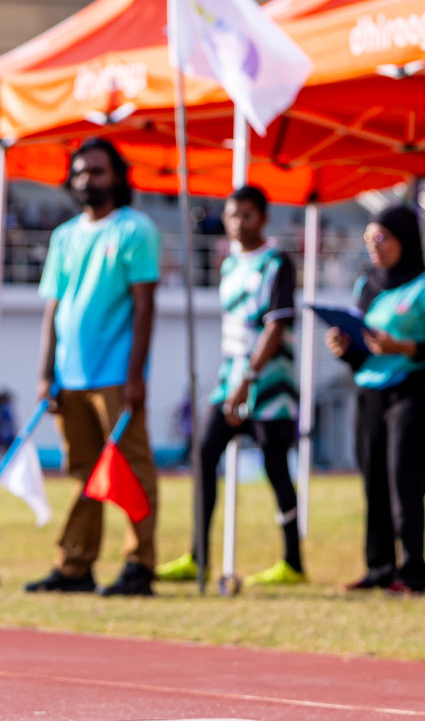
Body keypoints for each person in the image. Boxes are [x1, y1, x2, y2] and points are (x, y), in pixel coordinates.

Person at [26, 137, 161, 597]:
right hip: (69, 376)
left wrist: (137, 376)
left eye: (97, 172)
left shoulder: (135, 229)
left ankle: (140, 564)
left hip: (117, 376)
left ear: (119, 176)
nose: (87, 180)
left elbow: (145, 309)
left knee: (131, 469)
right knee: (85, 473)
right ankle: (75, 567)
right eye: (80, 172)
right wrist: (46, 374)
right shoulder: (64, 235)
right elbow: (54, 310)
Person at [157, 185, 305, 588]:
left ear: (263, 218)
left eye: (246, 216)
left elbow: (276, 326)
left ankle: (293, 561)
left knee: (276, 467)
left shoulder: (278, 263)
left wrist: (250, 378)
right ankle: (198, 555)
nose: (237, 223)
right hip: (231, 380)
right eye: (231, 215)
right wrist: (232, 379)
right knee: (205, 457)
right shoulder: (228, 263)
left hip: (270, 383)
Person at [327, 203, 425, 595]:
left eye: (381, 238)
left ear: (404, 240)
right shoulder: (366, 285)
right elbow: (363, 349)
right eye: (368, 239)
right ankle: (379, 565)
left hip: (413, 391)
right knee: (374, 481)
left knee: (405, 479)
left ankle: (413, 568)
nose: (374, 247)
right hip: (371, 392)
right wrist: (344, 348)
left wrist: (401, 346)